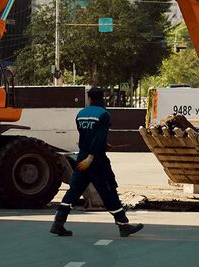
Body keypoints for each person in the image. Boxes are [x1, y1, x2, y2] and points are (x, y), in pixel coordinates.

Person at [50, 85, 144, 238]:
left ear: (89, 98)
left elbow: (86, 135)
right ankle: (123, 225)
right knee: (108, 190)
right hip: (96, 161)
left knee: (74, 190)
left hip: (82, 158)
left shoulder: (81, 114)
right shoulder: (104, 114)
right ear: (102, 98)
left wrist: (95, 150)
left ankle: (58, 223)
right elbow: (99, 137)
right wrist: (93, 156)